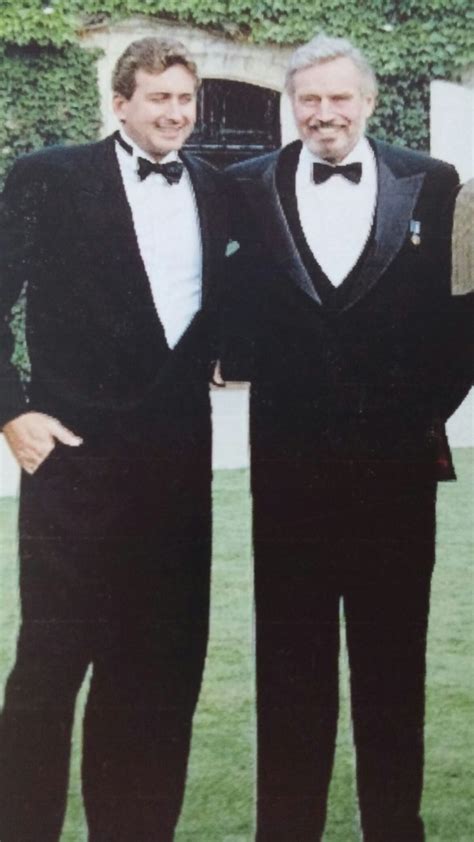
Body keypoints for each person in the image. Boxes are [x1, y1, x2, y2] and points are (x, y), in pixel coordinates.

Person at [222, 33, 472, 842]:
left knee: (392, 668)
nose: (324, 114)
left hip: (395, 478)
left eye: (339, 98)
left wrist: (409, 417)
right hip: (287, 476)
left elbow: (463, 324)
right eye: (309, 100)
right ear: (292, 105)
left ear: (368, 101)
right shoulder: (244, 186)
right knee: (289, 670)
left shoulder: (433, 185)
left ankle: (394, 828)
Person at [0, 36, 229, 842]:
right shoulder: (49, 176)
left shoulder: (216, 187)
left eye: (185, 99)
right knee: (49, 673)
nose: (175, 114)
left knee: (158, 676)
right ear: (120, 102)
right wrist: (11, 410)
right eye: (158, 98)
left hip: (176, 477)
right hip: (73, 467)